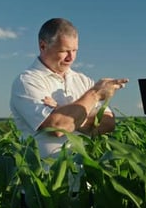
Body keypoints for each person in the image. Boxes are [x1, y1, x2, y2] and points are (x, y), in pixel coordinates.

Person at [10, 17, 129, 160]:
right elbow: (58, 127)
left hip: (84, 177)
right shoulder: (27, 81)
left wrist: (62, 111)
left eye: (74, 50)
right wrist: (94, 95)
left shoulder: (83, 80)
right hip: (45, 177)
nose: (71, 58)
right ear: (43, 46)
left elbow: (108, 123)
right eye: (64, 51)